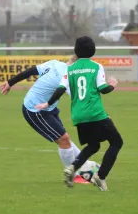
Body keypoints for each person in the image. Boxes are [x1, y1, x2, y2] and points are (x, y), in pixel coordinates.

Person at [36, 36, 123, 192]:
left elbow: (61, 89)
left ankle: (73, 167)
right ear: (93, 50)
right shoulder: (96, 67)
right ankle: (100, 176)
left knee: (93, 145)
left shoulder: (70, 69)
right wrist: (112, 85)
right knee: (117, 142)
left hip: (78, 116)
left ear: (76, 51)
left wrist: (47, 104)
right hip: (95, 113)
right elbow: (103, 89)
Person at [0, 56, 86, 173]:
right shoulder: (68, 76)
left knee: (64, 138)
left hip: (48, 108)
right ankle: (74, 174)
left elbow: (30, 71)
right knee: (63, 139)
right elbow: (80, 100)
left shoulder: (54, 63)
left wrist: (10, 82)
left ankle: (85, 166)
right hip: (35, 110)